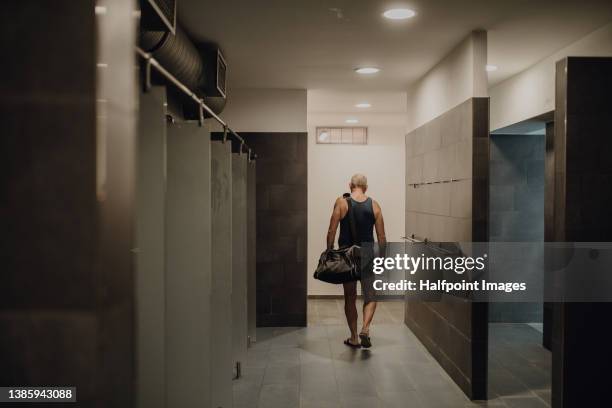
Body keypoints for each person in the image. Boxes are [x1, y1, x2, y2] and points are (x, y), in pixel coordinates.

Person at [326, 174, 386, 348]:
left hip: (347, 255)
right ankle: (365, 329)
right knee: (371, 295)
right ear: (365, 187)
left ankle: (353, 337)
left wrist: (329, 251)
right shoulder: (374, 205)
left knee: (349, 297)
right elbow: (382, 236)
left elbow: (331, 230)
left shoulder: (341, 203)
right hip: (367, 254)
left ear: (350, 185)